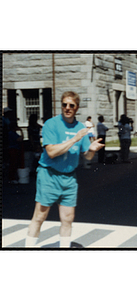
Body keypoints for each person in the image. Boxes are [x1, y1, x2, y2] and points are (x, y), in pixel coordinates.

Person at [25, 91, 105, 248]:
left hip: (69, 178)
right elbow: (51, 152)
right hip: (49, 175)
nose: (67, 108)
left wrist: (92, 150)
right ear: (61, 105)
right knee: (40, 216)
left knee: (68, 218)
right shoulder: (51, 124)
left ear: (77, 108)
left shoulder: (81, 127)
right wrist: (75, 138)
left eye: (71, 105)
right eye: (64, 104)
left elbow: (87, 157)